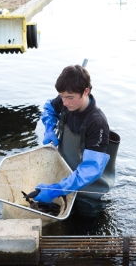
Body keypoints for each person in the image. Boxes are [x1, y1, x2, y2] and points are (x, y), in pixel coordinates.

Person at [29, 65, 118, 207]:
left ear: (86, 91)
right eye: (62, 96)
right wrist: (49, 128)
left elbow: (92, 169)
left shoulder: (97, 123)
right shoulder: (65, 101)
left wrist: (56, 190)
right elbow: (49, 108)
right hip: (67, 176)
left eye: (70, 98)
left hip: (89, 191)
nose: (64, 102)